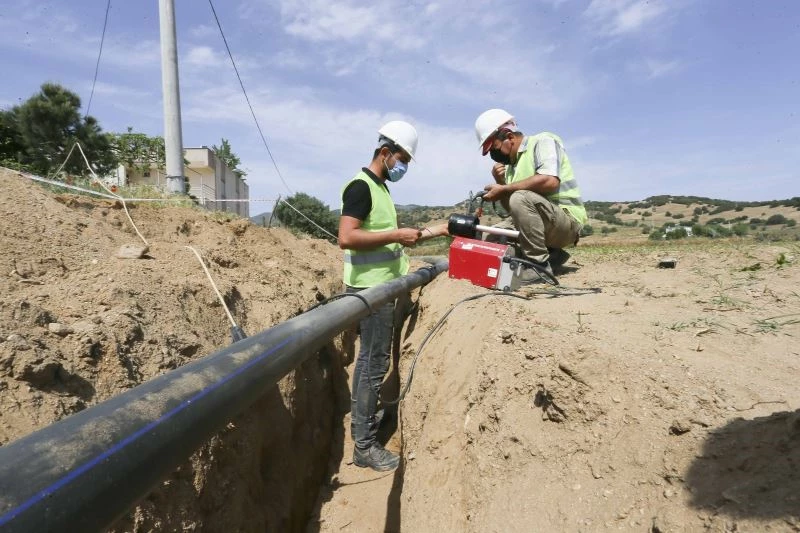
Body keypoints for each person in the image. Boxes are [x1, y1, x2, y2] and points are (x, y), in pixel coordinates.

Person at [338, 120, 447, 471]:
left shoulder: (381, 188)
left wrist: (438, 230)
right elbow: (347, 237)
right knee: (371, 365)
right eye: (402, 160)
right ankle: (364, 446)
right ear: (385, 153)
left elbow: (392, 237)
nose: (403, 168)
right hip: (370, 291)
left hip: (384, 287)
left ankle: (369, 424)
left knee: (377, 362)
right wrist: (396, 235)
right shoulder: (361, 187)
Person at [474, 108, 587, 280]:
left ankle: (540, 266)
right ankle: (553, 256)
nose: (493, 155)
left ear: (509, 137)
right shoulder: (511, 168)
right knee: (489, 237)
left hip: (566, 221)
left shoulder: (543, 141)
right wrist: (502, 184)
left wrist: (505, 189)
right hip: (543, 224)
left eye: (494, 148)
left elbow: (550, 181)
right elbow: (514, 210)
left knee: (520, 196)